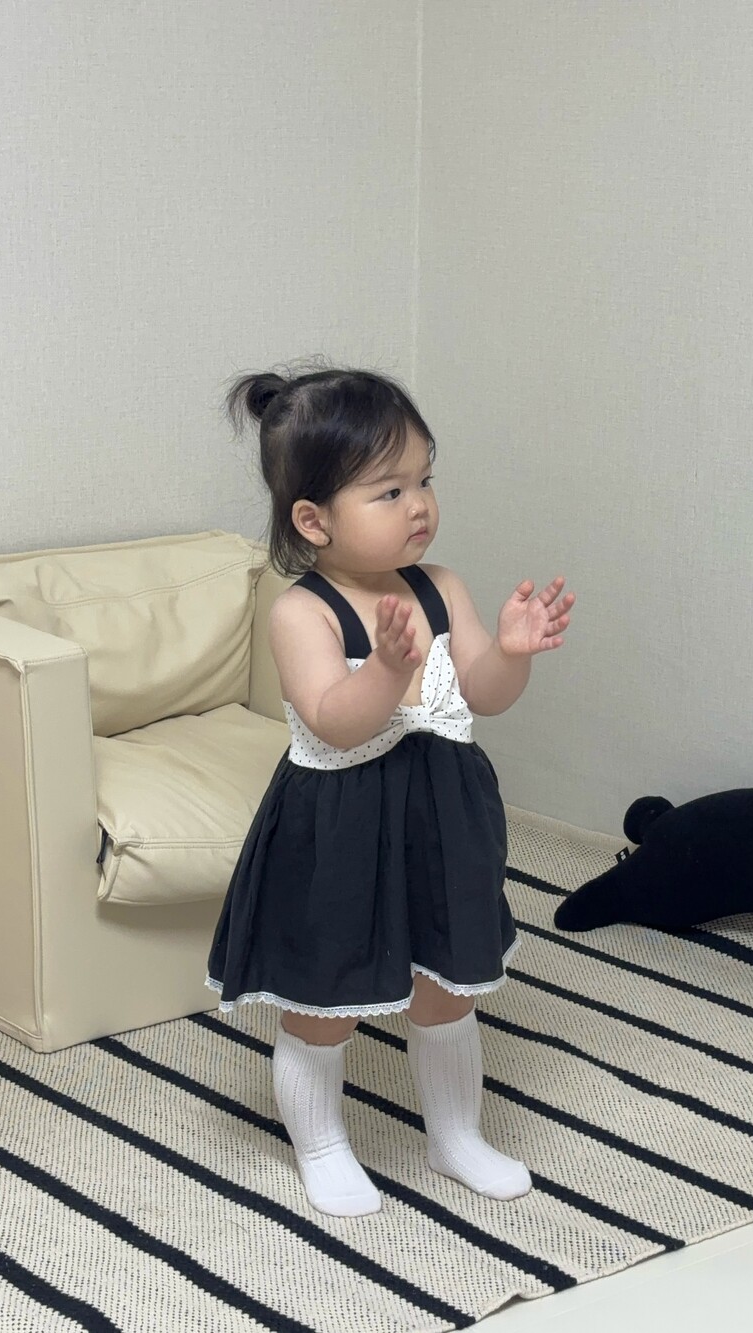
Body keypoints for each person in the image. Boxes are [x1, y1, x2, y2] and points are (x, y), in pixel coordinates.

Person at [206, 362, 575, 1218]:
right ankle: (322, 1144)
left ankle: (455, 1136)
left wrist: (511, 651)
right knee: (327, 1000)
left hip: (441, 815)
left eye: (425, 480)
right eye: (389, 491)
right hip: (338, 826)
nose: (420, 505)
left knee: (447, 987)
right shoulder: (301, 612)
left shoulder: (440, 587)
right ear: (314, 519)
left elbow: (482, 693)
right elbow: (337, 721)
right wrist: (385, 668)